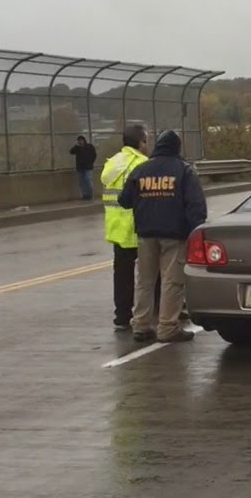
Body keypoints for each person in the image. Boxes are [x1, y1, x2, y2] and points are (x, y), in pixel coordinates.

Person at [119, 129, 206, 343]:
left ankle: (140, 325)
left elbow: (124, 200)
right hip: (174, 235)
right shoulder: (183, 170)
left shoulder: (141, 170)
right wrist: (197, 231)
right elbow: (195, 206)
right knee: (172, 281)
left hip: (146, 234)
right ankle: (167, 327)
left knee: (145, 281)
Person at [100, 124, 159, 331]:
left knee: (122, 275)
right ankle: (158, 311)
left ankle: (122, 315)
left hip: (117, 229)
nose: (148, 145)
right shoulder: (143, 164)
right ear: (140, 143)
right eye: (146, 141)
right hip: (139, 227)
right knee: (152, 274)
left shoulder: (112, 163)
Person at [70, 135, 97, 200]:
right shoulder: (77, 148)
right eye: (79, 141)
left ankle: (90, 194)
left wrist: (90, 162)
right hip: (80, 168)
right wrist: (76, 146)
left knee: (88, 180)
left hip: (88, 167)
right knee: (82, 182)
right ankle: (85, 195)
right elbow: (71, 152)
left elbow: (94, 155)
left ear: (84, 140)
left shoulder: (89, 147)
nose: (80, 142)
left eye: (81, 140)